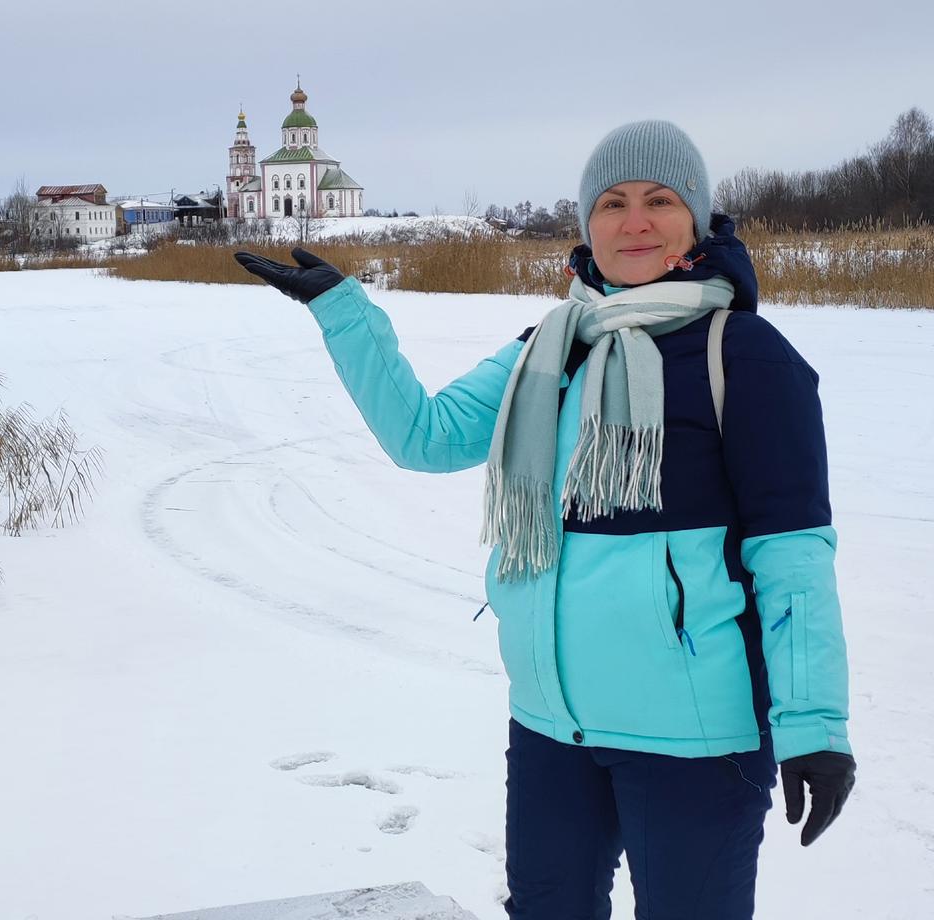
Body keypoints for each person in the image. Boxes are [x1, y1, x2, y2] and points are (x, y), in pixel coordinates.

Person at [235, 120, 856, 919]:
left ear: (694, 220)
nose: (634, 222)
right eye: (612, 203)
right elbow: (424, 437)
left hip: (693, 738)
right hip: (551, 726)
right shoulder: (548, 348)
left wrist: (814, 723)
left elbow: (792, 554)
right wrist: (345, 314)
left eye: (659, 201)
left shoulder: (745, 355)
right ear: (587, 225)